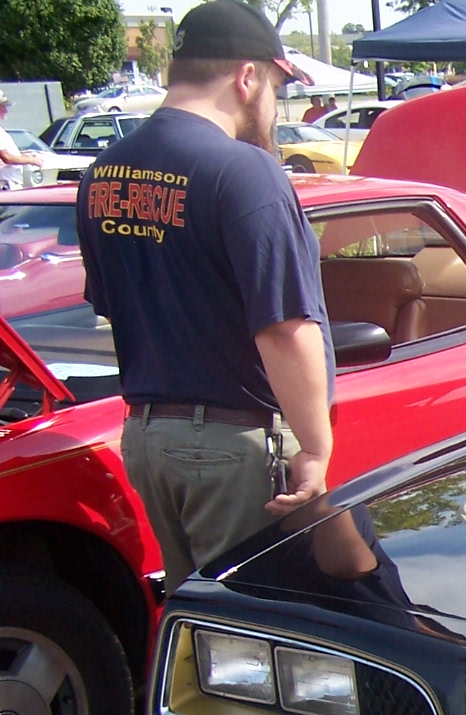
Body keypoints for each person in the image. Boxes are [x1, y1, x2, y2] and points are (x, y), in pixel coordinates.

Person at [76, 0, 335, 593]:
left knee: (195, 614)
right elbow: (284, 327)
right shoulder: (244, 171)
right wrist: (316, 449)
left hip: (148, 439)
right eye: (275, 88)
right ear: (247, 77)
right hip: (229, 446)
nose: (273, 106)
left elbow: (116, 306)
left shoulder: (103, 172)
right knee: (254, 622)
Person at [0, 91, 46, 190]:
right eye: (3, 107)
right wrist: (33, 161)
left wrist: (25, 156)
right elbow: (7, 158)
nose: (6, 111)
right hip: (6, 185)